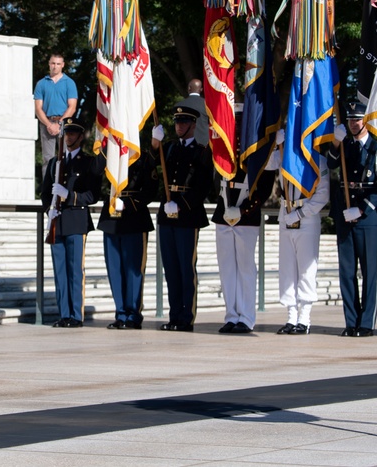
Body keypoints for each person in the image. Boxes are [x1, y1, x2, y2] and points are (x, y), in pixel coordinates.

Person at [327, 102, 377, 337]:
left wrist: (363, 209)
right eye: (351, 119)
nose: (354, 123)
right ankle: (351, 321)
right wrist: (335, 141)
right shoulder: (343, 145)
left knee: (369, 271)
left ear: (366, 121)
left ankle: (367, 323)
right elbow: (331, 164)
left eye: (357, 119)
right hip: (345, 213)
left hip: (366, 217)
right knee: (346, 271)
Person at [153, 105, 213, 332]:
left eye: (183, 122)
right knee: (171, 269)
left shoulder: (201, 152)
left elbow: (203, 186)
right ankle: (174, 315)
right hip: (167, 216)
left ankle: (186, 317)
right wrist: (154, 144)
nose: (179, 126)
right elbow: (150, 165)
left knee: (186, 268)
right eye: (177, 122)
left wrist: (181, 204)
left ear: (193, 125)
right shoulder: (167, 149)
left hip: (187, 216)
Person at [41, 117, 102, 328]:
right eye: (67, 133)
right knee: (60, 271)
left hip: (76, 221)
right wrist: (49, 208)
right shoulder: (54, 163)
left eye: (73, 133)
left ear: (81, 136)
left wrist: (70, 195)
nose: (69, 136)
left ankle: (76, 315)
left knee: (75, 270)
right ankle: (64, 314)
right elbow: (45, 193)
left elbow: (93, 195)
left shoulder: (88, 163)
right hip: (57, 222)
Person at [267, 129, 329, 335]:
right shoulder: (284, 154)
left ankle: (305, 317)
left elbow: (322, 195)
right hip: (286, 213)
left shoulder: (317, 160)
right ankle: (291, 316)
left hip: (306, 217)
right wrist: (275, 146)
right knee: (287, 269)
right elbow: (265, 164)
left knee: (306, 269)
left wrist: (301, 214)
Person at [97, 146, 157, 330]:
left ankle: (133, 314)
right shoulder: (109, 152)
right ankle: (120, 313)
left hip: (134, 218)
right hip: (111, 217)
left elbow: (151, 188)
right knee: (115, 269)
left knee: (133, 269)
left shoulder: (143, 156)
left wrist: (130, 204)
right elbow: (94, 176)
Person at [211, 162, 274, 334]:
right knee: (227, 269)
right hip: (223, 212)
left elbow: (265, 186)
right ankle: (231, 316)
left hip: (246, 217)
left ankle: (246, 317)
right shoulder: (227, 143)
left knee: (245, 269)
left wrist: (244, 209)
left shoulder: (254, 145)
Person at [33, 53, 77, 176]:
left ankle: (64, 189)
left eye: (58, 64)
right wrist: (49, 124)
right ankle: (47, 191)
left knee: (66, 157)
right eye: (53, 63)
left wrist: (59, 124)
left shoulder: (69, 83)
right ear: (49, 64)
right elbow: (38, 108)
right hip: (46, 123)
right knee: (48, 159)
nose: (55, 66)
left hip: (64, 124)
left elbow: (72, 107)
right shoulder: (41, 83)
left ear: (62, 65)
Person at [174, 79, 209, 146]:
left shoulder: (179, 106)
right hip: (204, 145)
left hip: (184, 145)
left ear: (189, 88)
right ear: (201, 89)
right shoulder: (208, 105)